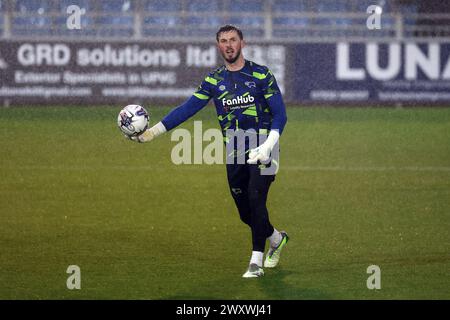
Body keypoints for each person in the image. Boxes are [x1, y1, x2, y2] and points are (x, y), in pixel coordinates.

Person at [128, 25, 288, 278]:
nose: (229, 45)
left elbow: (280, 114)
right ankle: (276, 238)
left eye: (233, 40)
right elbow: (188, 108)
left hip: (264, 148)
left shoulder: (261, 75)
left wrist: (268, 145)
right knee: (246, 213)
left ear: (242, 43)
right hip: (234, 150)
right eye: (223, 41)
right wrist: (151, 133)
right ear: (218, 46)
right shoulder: (214, 80)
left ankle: (255, 262)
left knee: (257, 198)